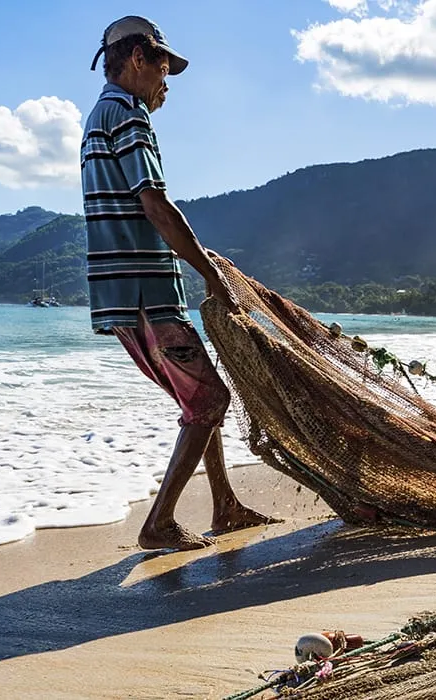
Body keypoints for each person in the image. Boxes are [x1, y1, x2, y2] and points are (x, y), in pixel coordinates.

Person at [80, 15, 278, 551]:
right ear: (138, 59)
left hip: (126, 294)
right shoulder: (128, 116)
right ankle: (159, 523)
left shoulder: (100, 115)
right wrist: (212, 275)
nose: (167, 82)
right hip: (145, 295)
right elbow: (155, 203)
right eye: (164, 67)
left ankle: (224, 504)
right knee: (211, 400)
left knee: (200, 398)